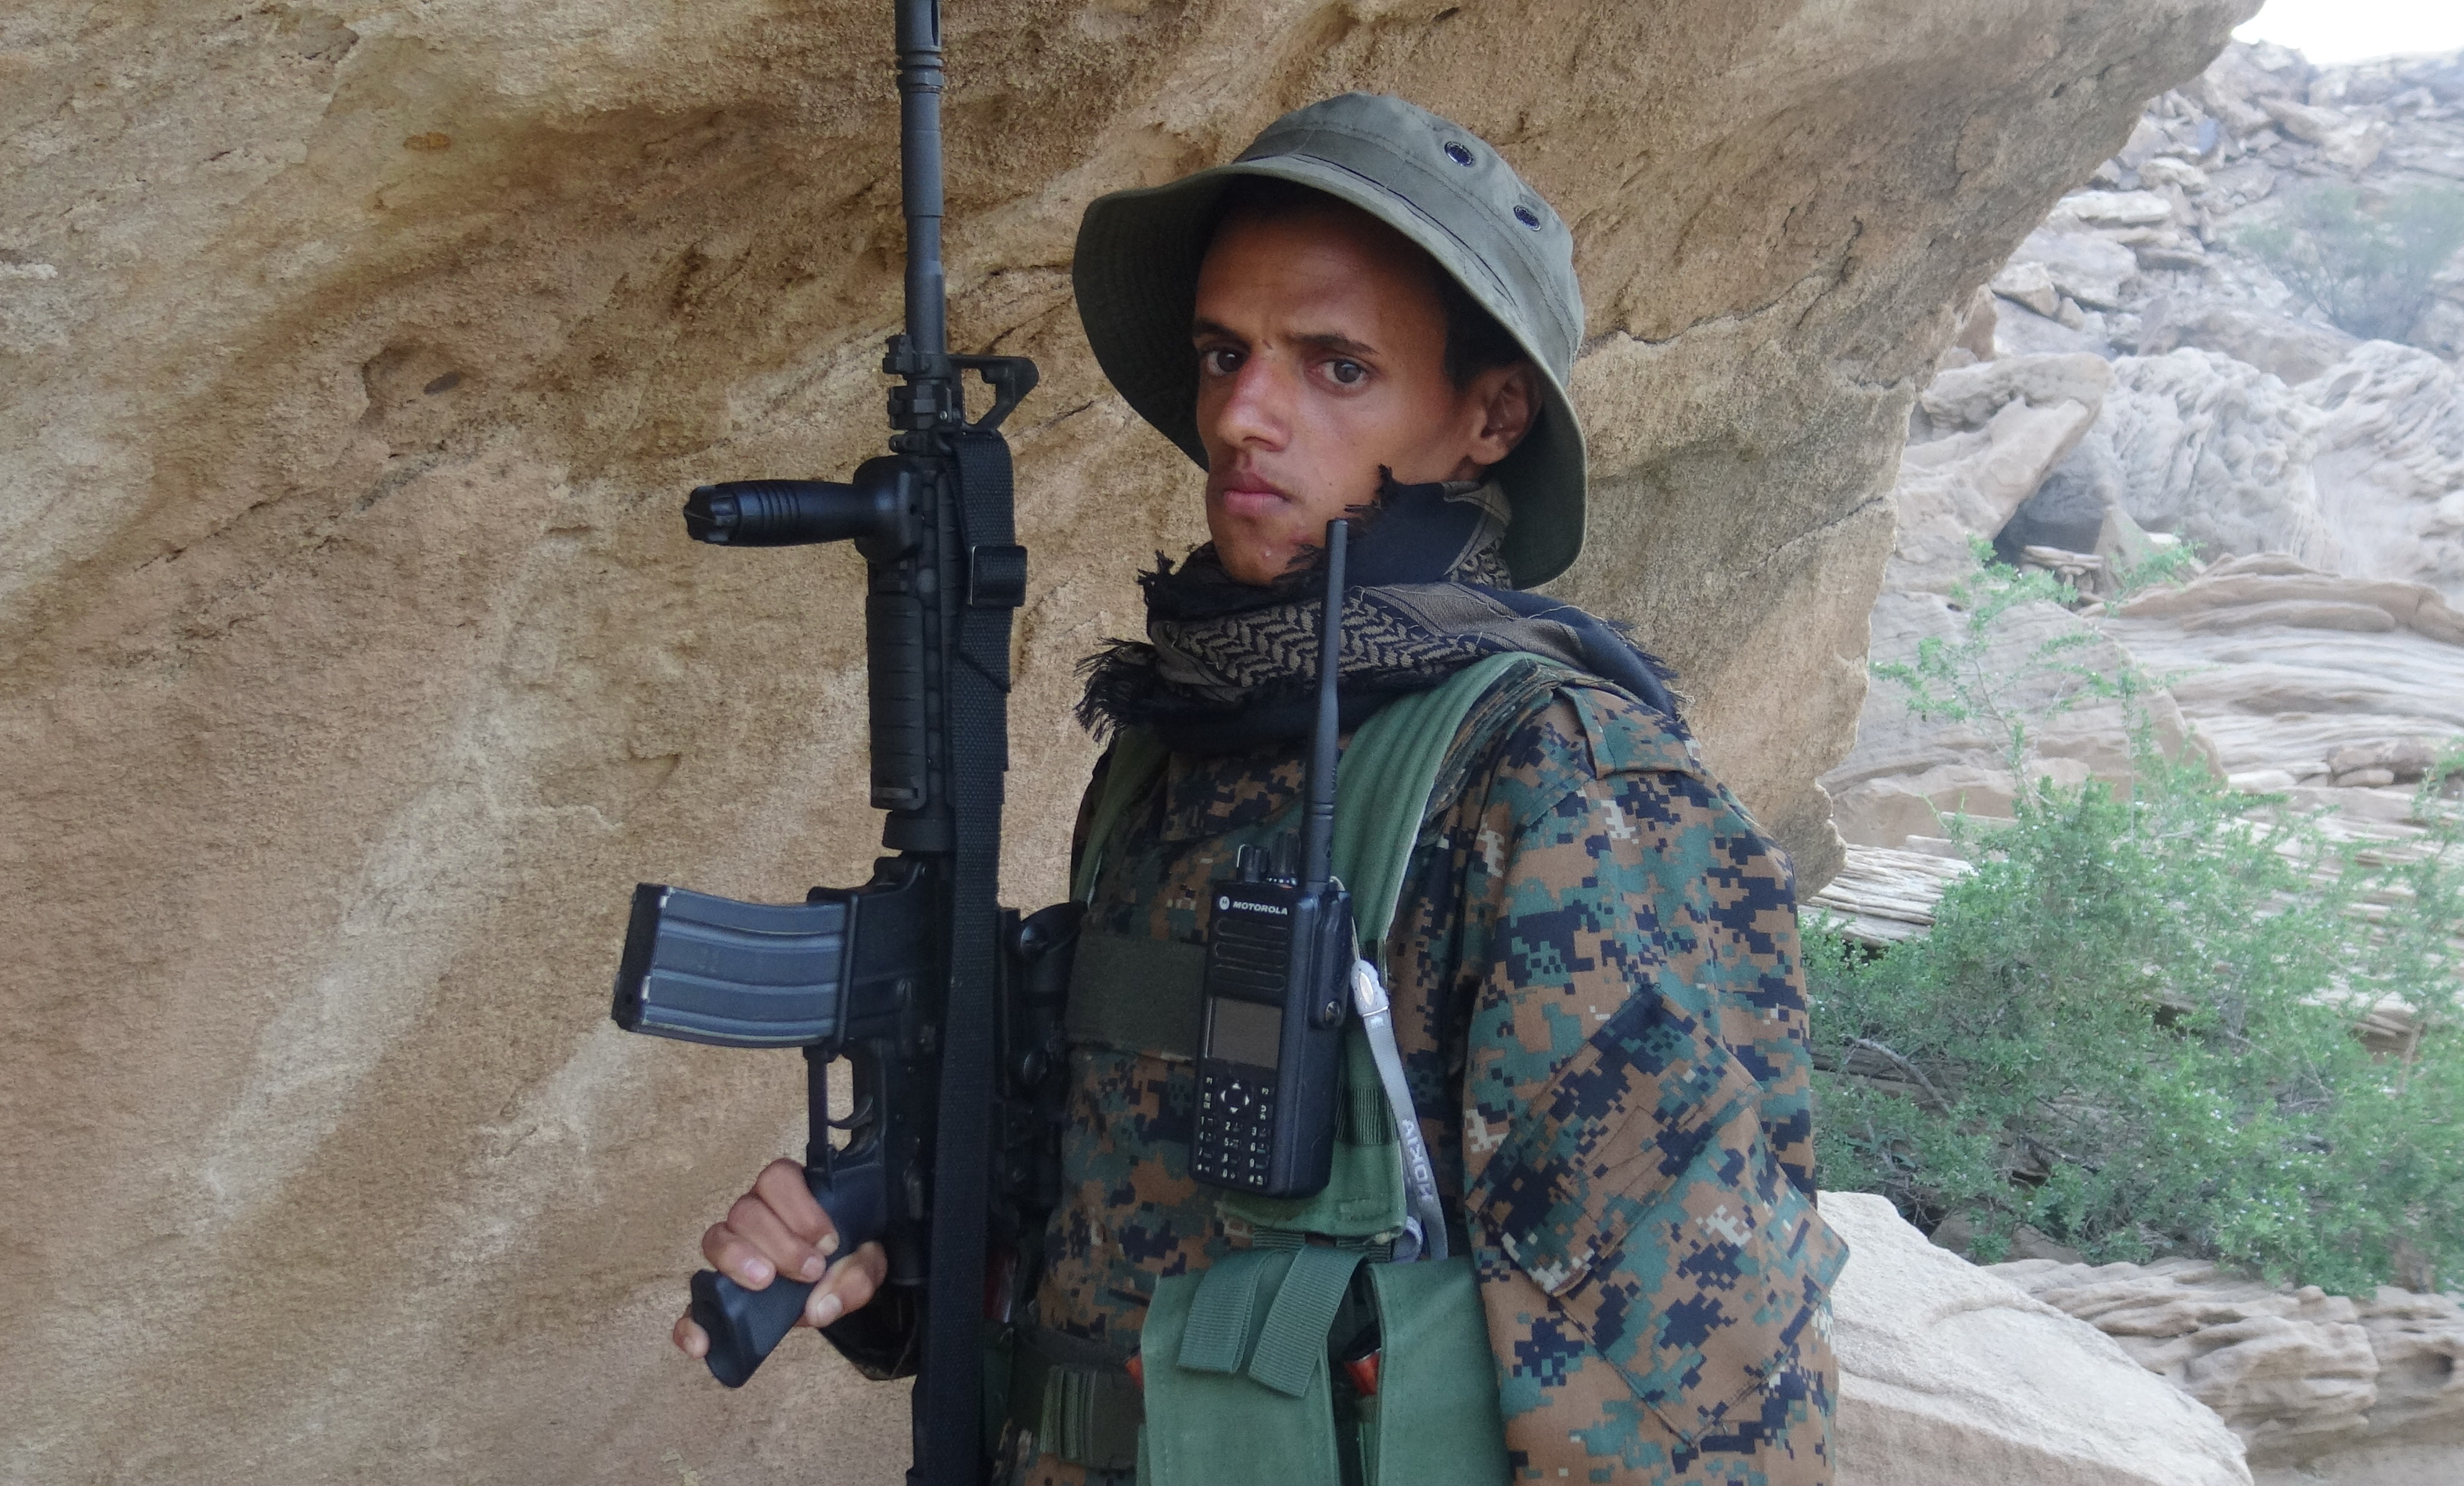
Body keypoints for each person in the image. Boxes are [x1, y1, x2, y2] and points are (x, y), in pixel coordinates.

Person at [672, 93, 1846, 1485]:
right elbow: (1105, 1237)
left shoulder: (1560, 787)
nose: (1240, 414)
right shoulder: (1176, 753)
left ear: (1489, 414)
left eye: (1336, 367)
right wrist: (895, 1254)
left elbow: (1694, 1397)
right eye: (1223, 353)